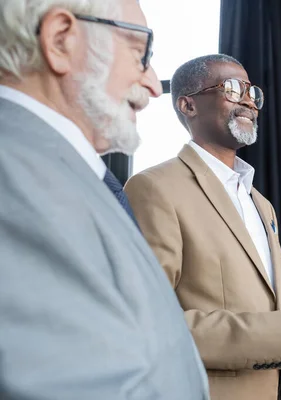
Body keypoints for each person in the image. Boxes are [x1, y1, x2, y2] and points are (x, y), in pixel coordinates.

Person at [125, 54, 281, 400]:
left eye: (253, 92)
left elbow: (263, 315)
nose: (248, 100)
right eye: (232, 88)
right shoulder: (153, 188)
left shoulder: (261, 203)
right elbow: (150, 323)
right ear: (187, 105)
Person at [0, 1, 209, 399]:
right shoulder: (16, 172)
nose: (152, 85)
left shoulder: (58, 170)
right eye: (140, 54)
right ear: (61, 39)